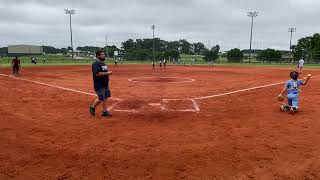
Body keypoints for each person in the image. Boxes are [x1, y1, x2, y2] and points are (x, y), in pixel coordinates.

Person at [89, 50, 113, 117]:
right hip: (99, 85)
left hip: (105, 84)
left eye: (104, 54)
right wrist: (107, 73)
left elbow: (105, 72)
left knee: (105, 97)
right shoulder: (95, 64)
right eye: (102, 54)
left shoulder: (104, 64)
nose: (104, 55)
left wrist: (107, 73)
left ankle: (105, 111)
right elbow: (97, 74)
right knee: (101, 98)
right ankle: (92, 107)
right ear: (98, 56)